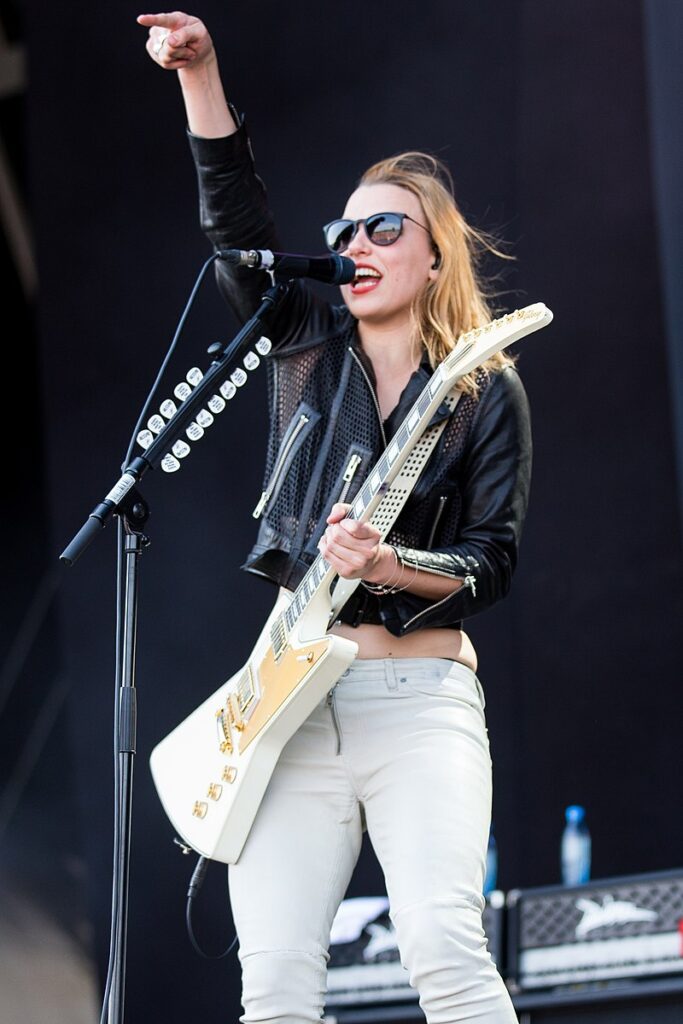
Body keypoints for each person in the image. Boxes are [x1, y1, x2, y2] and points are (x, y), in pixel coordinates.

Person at [138, 12, 531, 1023]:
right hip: (289, 703)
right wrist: (201, 74)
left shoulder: (483, 389)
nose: (354, 242)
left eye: (383, 226)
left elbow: (492, 559)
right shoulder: (305, 344)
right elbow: (236, 222)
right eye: (344, 229)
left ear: (434, 256)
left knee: (444, 951)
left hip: (417, 699)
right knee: (270, 982)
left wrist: (389, 561)